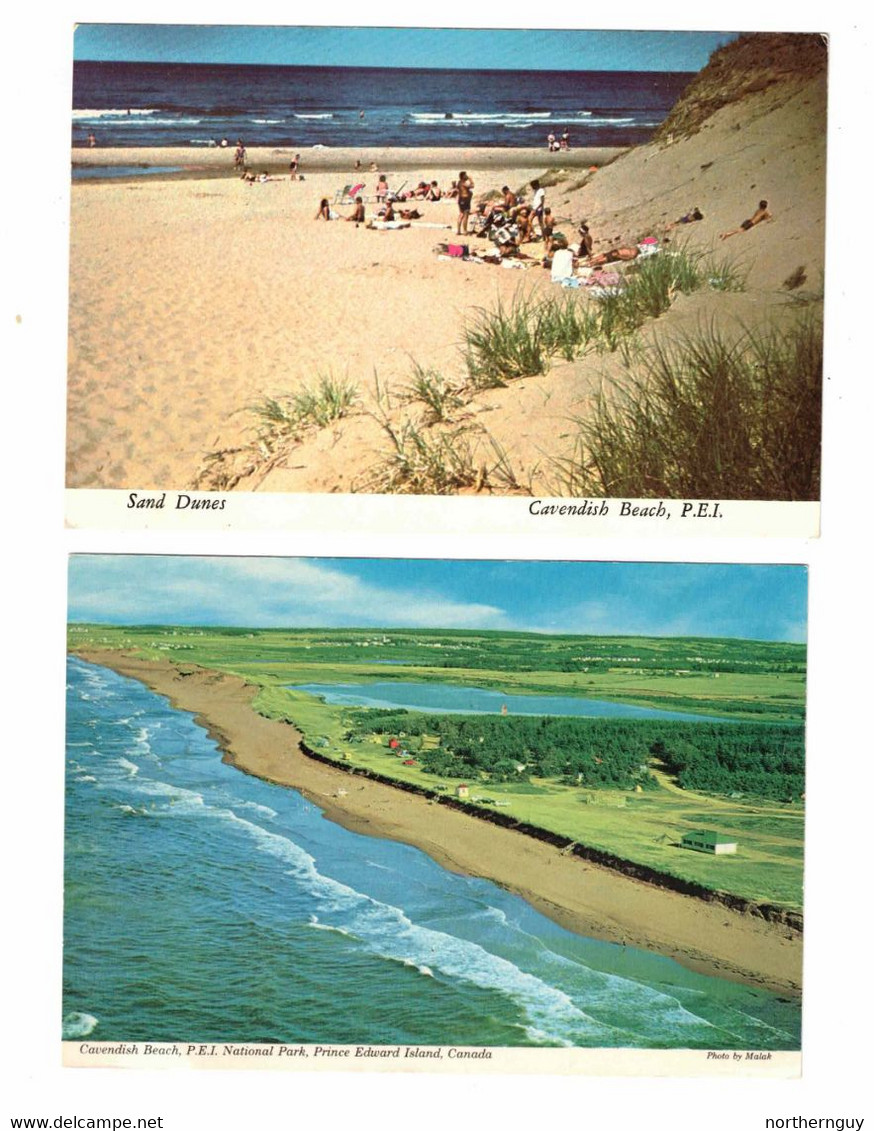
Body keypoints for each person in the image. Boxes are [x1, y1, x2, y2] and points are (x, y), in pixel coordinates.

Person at [456, 171, 474, 235]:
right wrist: (471, 179)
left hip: (461, 199)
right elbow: (472, 186)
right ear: (463, 176)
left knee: (461, 214)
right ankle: (465, 231)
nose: (467, 176)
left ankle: (458, 230)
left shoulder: (459, 183)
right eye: (465, 175)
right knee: (465, 215)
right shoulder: (463, 183)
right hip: (465, 200)